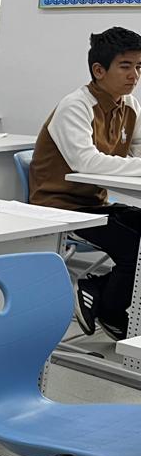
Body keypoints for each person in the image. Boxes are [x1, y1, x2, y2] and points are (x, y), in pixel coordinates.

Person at [30, 27, 141, 339]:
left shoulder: (130, 106)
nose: (134, 75)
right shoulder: (75, 106)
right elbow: (87, 163)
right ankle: (110, 309)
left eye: (139, 66)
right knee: (134, 246)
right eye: (125, 66)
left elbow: (138, 151)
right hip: (59, 207)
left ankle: (98, 289)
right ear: (99, 70)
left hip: (95, 204)